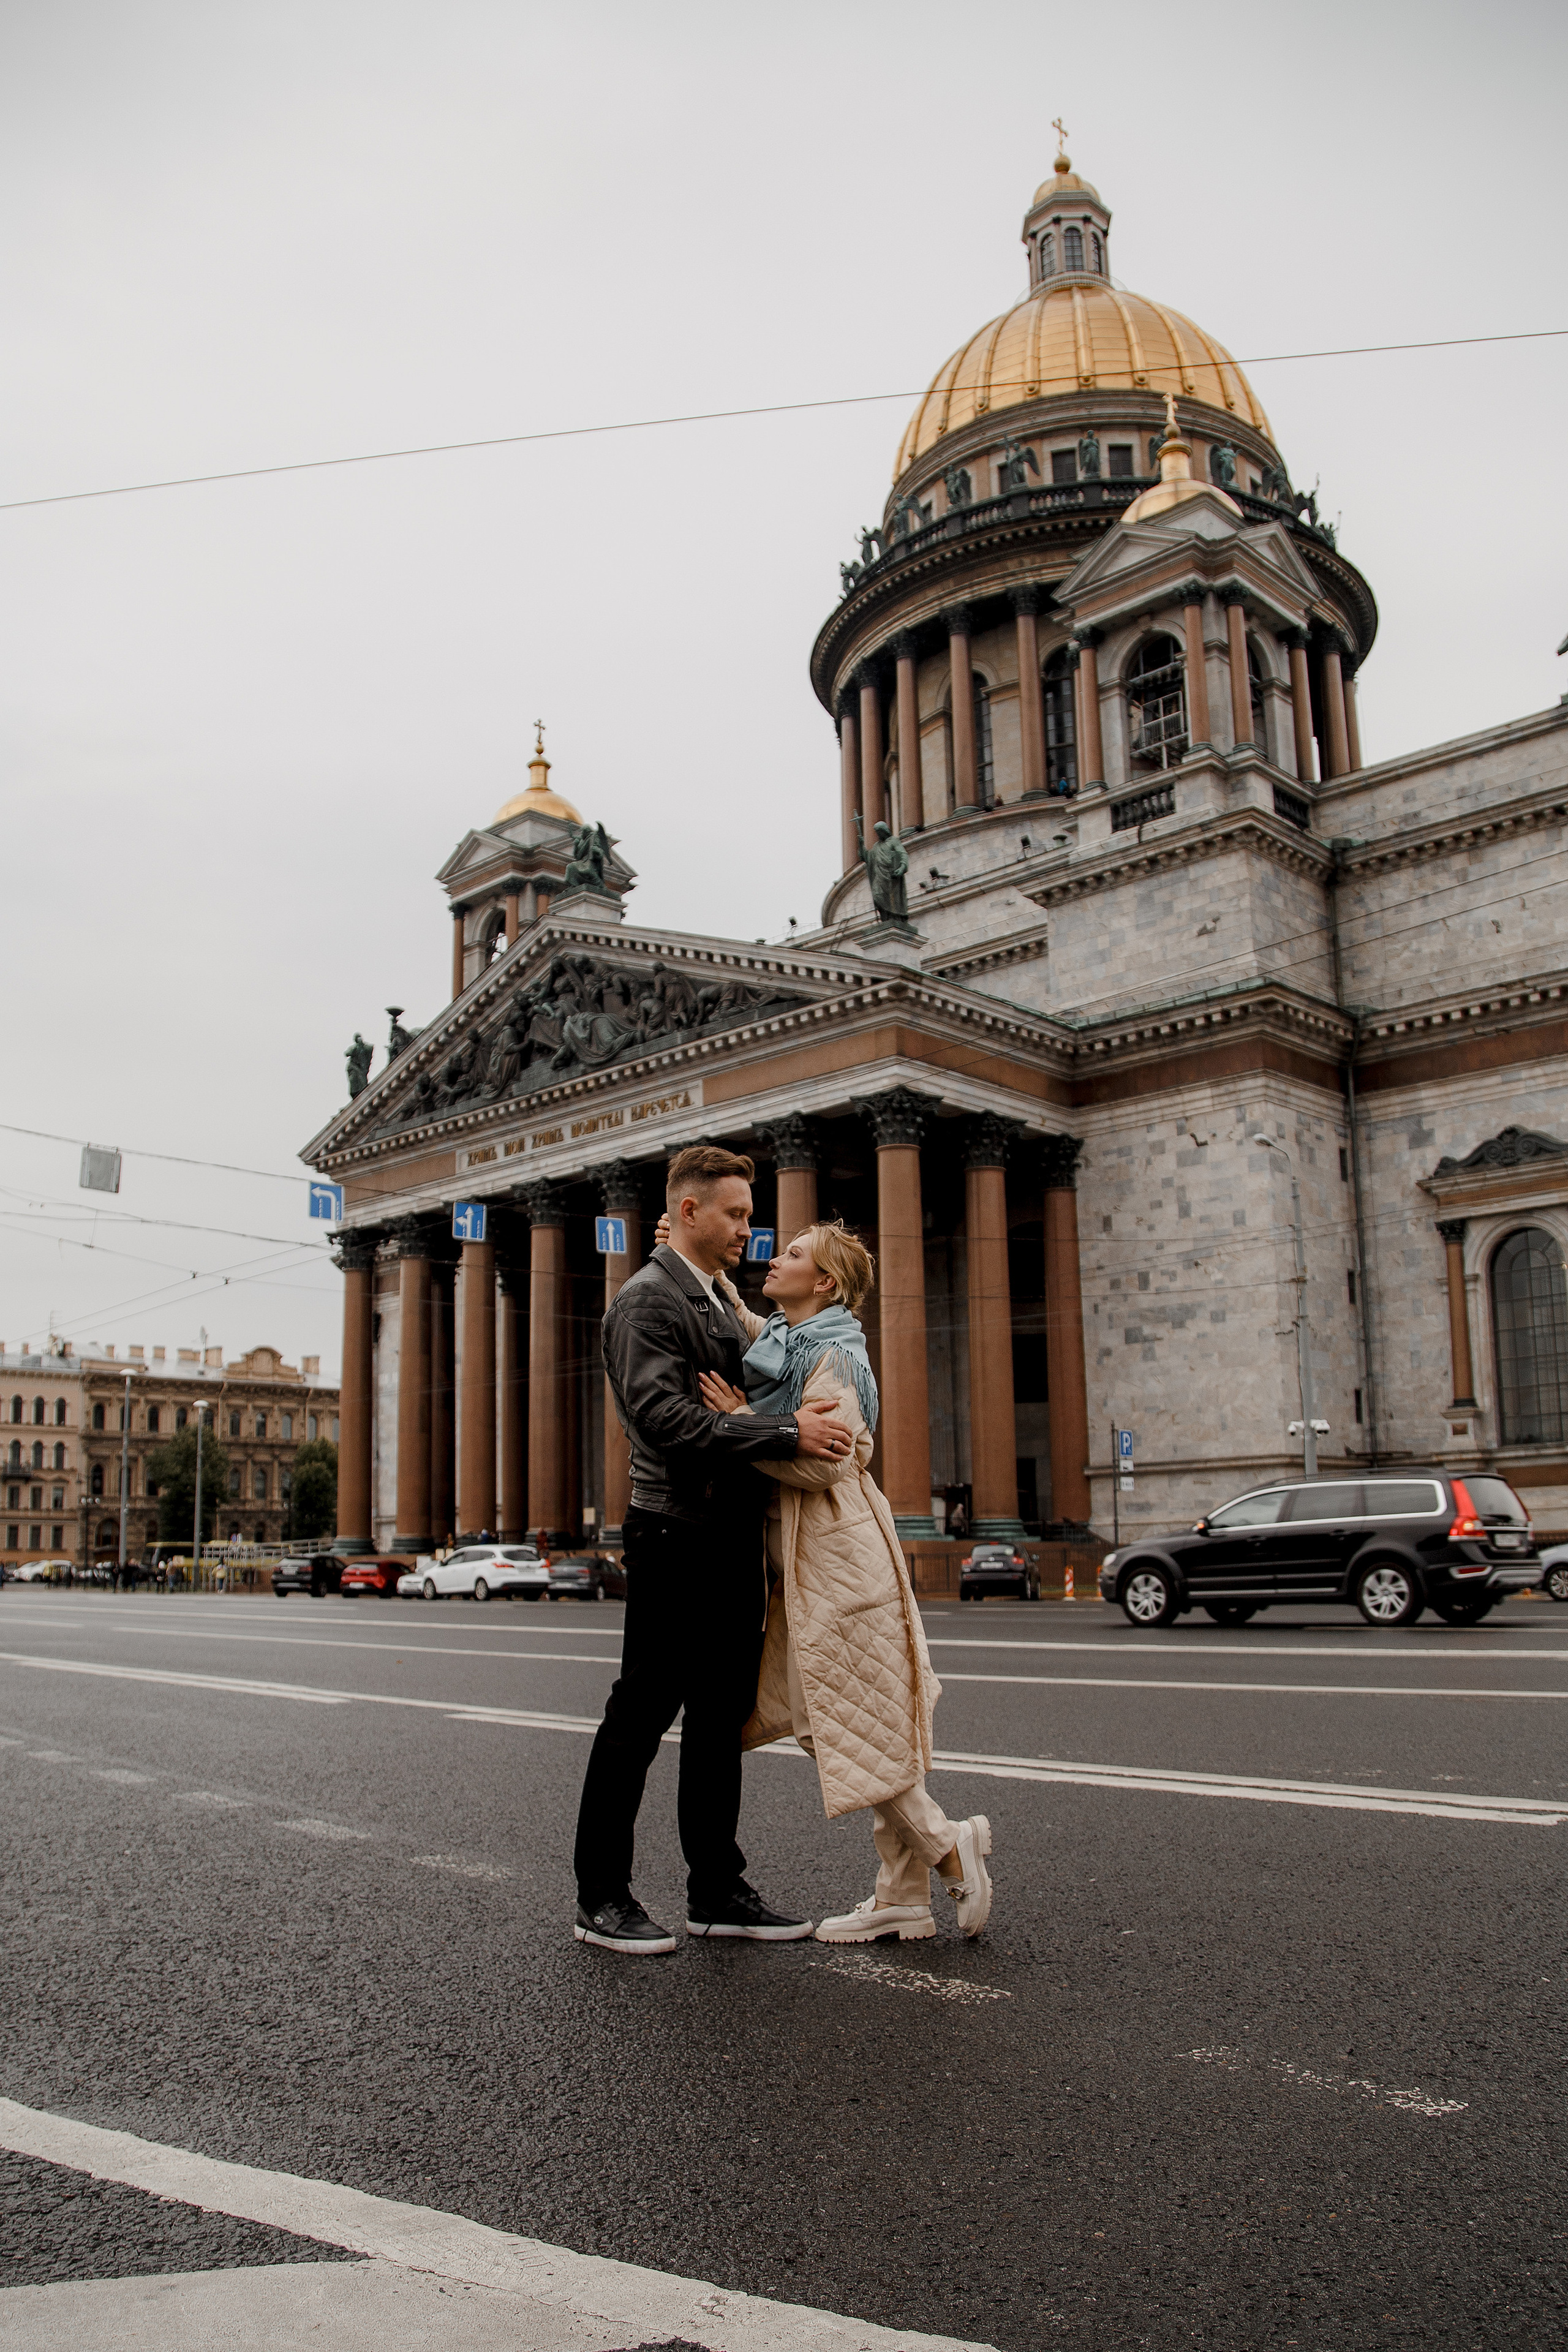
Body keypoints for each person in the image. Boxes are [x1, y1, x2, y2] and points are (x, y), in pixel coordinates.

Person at [665, 1215, 995, 1943]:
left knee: (828, 1720)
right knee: (858, 1717)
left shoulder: (834, 1358)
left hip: (837, 1551)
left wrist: (745, 1423)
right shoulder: (792, 1341)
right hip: (807, 1558)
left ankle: (943, 1844)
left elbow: (826, 1460)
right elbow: (750, 1323)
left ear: (825, 1283)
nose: (769, 1259)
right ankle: (901, 1898)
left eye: (791, 1255)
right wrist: (692, 1258)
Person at [573, 1145, 853, 1956]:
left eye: (749, 1213)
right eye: (733, 1213)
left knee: (718, 1717)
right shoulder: (648, 1301)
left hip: (729, 1533)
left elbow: (768, 1377)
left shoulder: (718, 1298)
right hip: (675, 1531)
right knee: (641, 1712)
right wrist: (783, 1429)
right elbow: (668, 1424)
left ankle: (715, 1890)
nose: (748, 1228)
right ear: (688, 1212)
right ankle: (601, 1895)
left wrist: (765, 1411)